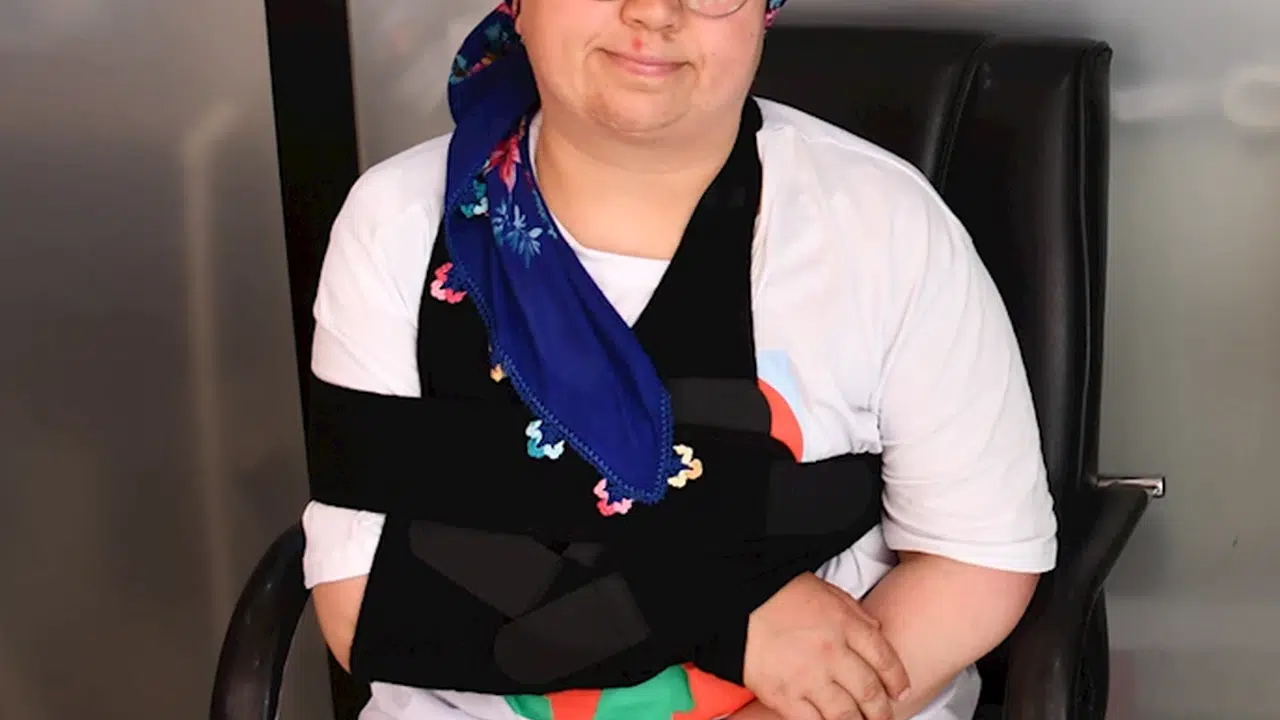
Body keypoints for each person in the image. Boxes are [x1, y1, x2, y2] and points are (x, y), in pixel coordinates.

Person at [300, 1, 1058, 719]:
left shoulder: (885, 229)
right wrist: (728, 619)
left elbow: (977, 559)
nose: (653, 12)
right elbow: (365, 609)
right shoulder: (398, 227)